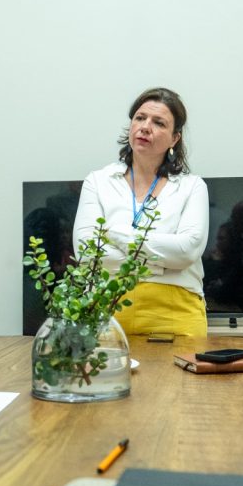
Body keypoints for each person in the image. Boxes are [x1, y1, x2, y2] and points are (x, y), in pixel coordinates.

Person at [73, 87, 208, 337]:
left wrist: (114, 233)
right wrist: (160, 265)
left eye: (159, 123)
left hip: (176, 313)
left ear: (174, 139)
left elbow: (187, 251)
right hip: (106, 312)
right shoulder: (98, 182)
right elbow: (86, 252)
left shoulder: (192, 187)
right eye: (140, 118)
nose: (145, 127)